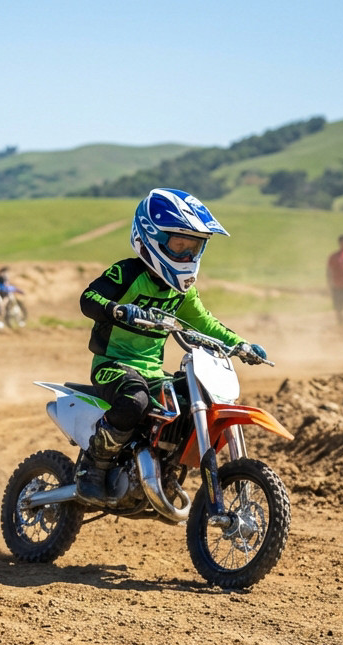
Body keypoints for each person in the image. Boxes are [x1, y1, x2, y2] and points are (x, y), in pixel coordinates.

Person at [75, 188, 267, 503]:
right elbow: (89, 299)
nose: (188, 256)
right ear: (152, 238)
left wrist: (241, 345)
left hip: (152, 370)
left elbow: (205, 324)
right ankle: (92, 467)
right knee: (134, 400)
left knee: (193, 398)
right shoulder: (128, 272)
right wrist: (118, 309)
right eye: (180, 245)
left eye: (195, 247)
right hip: (113, 366)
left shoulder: (183, 292)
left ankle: (162, 466)